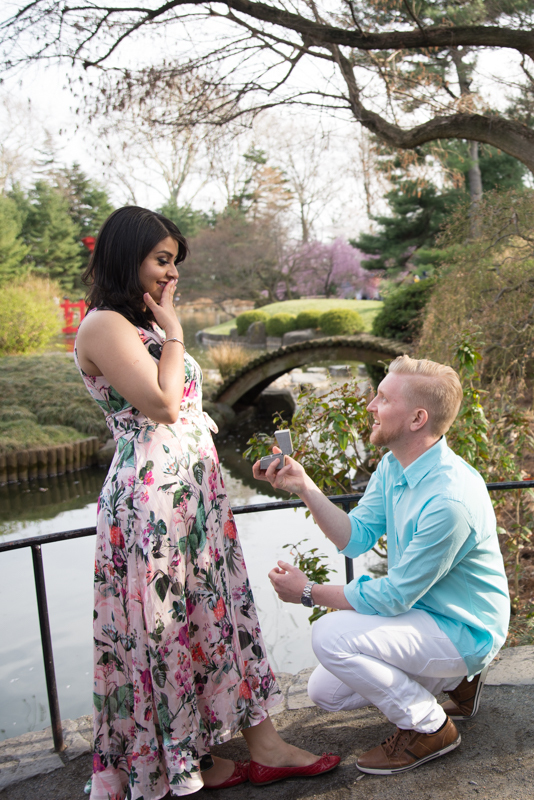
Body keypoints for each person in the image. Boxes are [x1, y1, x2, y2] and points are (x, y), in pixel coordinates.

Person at [75, 206, 340, 800]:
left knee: (216, 614)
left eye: (175, 263)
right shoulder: (105, 326)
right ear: (127, 257)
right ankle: (181, 758)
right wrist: (173, 332)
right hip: (154, 502)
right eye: (161, 261)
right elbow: (163, 406)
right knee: (169, 624)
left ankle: (258, 746)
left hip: (191, 495)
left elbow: (181, 408)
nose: (172, 274)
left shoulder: (139, 319)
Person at [253, 355, 510, 775]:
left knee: (330, 634)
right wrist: (304, 486)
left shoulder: (449, 499)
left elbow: (394, 596)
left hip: (464, 628)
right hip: (425, 614)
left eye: (383, 398)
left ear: (416, 419)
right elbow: (356, 538)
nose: (370, 405)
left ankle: (429, 727)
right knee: (325, 693)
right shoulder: (394, 465)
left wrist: (308, 593)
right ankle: (456, 684)